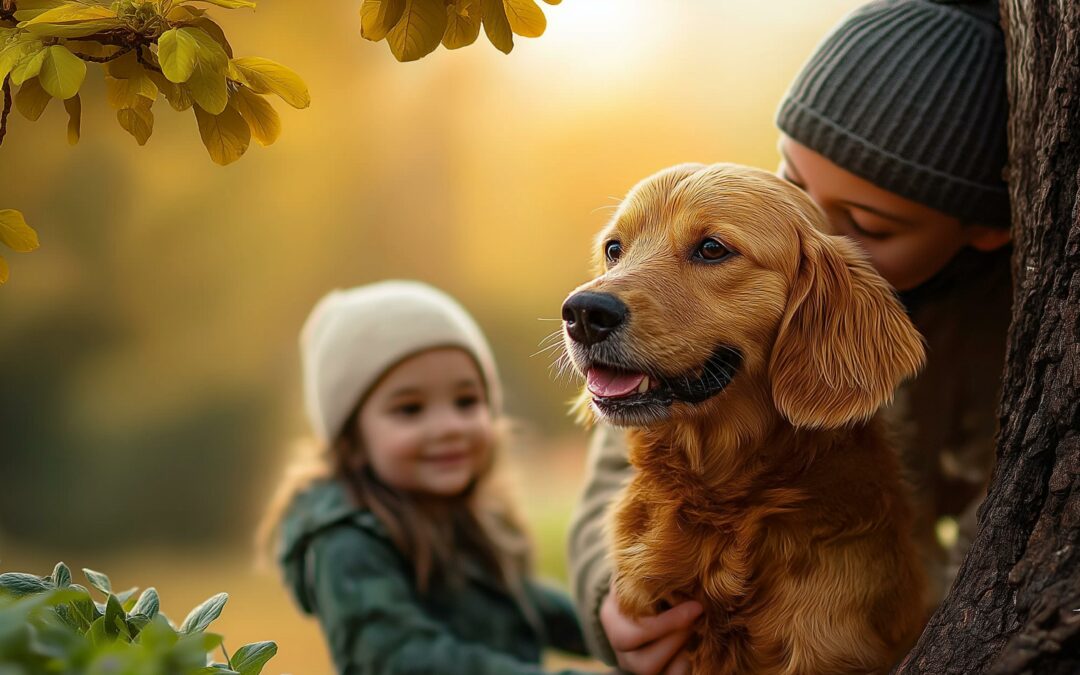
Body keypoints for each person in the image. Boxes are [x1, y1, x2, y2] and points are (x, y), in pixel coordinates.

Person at [566, 1, 1013, 672]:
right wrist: (607, 594)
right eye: (793, 179)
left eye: (868, 223)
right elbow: (611, 473)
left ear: (985, 231)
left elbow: (1010, 521)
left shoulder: (1008, 330)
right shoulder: (746, 215)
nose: (812, 223)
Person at [261, 281, 593, 674]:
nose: (449, 426)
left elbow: (519, 600)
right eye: (410, 410)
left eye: (466, 402)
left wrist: (614, 627)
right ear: (353, 437)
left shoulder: (461, 513)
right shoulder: (345, 541)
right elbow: (402, 658)